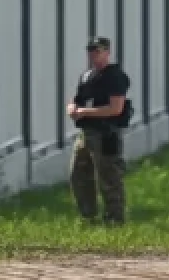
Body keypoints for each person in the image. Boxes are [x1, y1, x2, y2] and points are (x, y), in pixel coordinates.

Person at [67, 36, 132, 225]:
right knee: (78, 174)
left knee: (109, 177)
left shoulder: (115, 76)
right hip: (86, 132)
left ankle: (115, 218)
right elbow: (76, 99)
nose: (94, 55)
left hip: (106, 133)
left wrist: (84, 112)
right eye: (91, 51)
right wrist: (72, 108)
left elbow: (115, 108)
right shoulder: (87, 76)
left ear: (107, 52)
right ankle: (88, 216)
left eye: (99, 51)